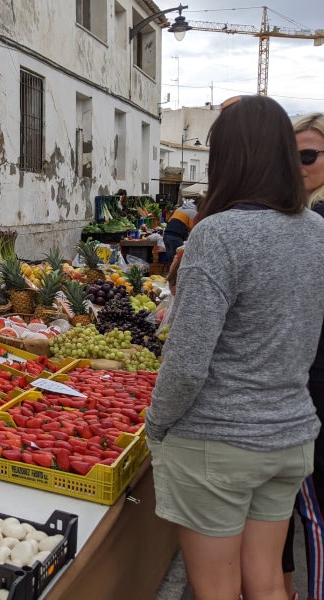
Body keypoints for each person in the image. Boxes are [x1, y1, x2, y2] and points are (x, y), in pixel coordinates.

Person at [145, 95, 324, 600]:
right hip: (289, 436)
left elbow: (185, 361)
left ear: (228, 157)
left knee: (217, 588)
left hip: (217, 444)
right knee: (266, 581)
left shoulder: (218, 234)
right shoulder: (318, 233)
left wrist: (157, 424)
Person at [281, 113, 324, 600]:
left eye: (309, 156)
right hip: (294, 379)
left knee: (312, 512)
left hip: (311, 382)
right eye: (289, 156)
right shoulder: (296, 218)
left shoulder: (315, 226)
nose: (298, 165)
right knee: (282, 507)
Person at [161, 196, 197, 264]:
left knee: (171, 260)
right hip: (176, 237)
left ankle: (171, 273)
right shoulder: (193, 212)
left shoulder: (179, 209)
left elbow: (169, 220)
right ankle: (176, 274)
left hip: (166, 235)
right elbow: (193, 228)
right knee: (178, 260)